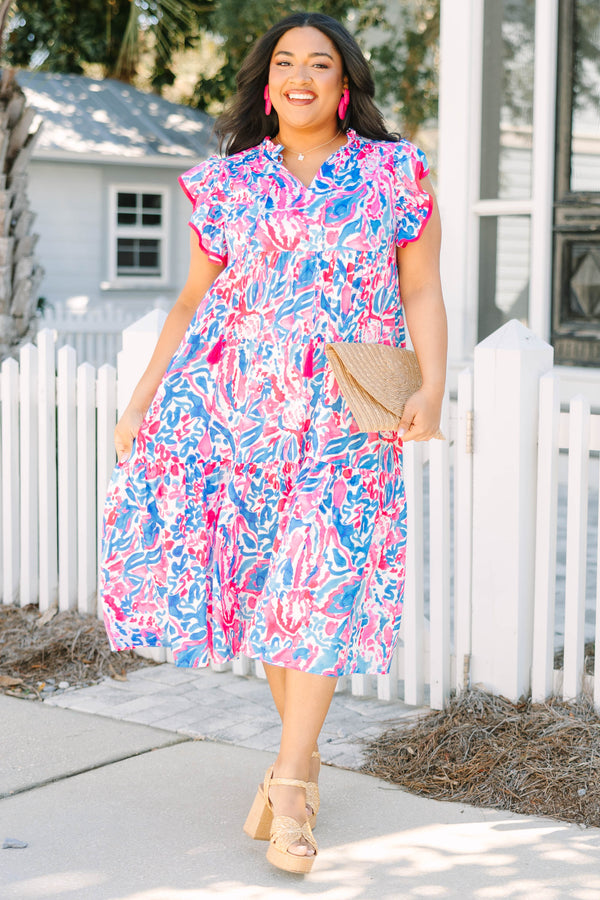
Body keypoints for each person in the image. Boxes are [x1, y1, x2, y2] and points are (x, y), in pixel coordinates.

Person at [100, 11, 447, 876]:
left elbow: (423, 290)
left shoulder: (395, 172)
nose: (301, 74)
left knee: (319, 585)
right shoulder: (229, 183)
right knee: (271, 589)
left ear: (344, 85)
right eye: (285, 61)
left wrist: (434, 386)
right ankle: (302, 762)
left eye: (320, 63)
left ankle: (289, 784)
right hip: (235, 410)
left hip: (345, 415)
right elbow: (189, 304)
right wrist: (143, 399)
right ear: (267, 86)